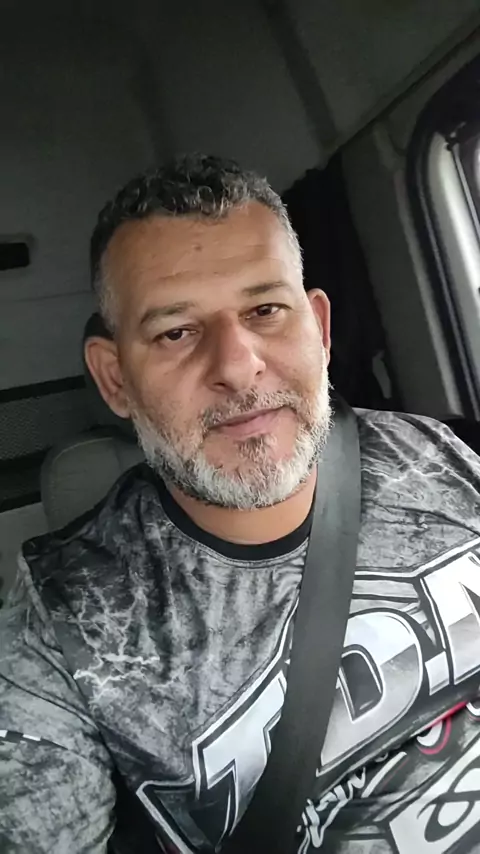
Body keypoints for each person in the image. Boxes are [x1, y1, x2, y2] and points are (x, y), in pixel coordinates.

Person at [1, 154, 480, 854]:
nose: (235, 365)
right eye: (176, 332)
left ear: (319, 329)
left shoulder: (433, 451)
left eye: (265, 311)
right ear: (116, 379)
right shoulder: (61, 628)